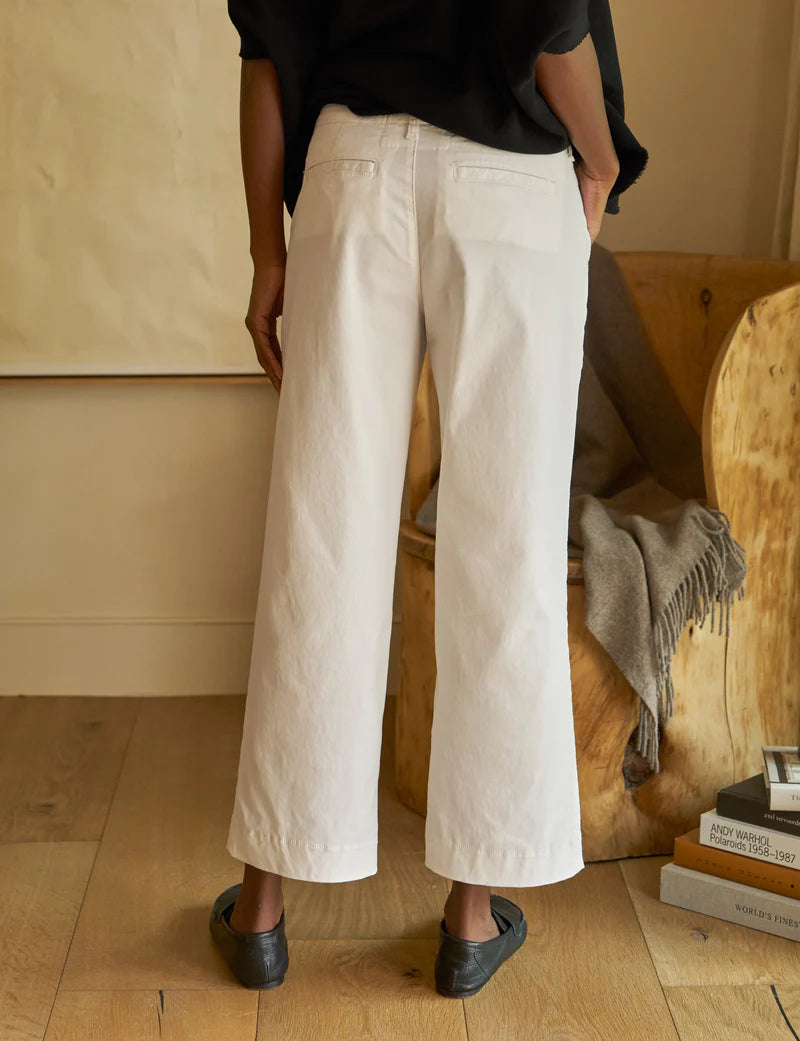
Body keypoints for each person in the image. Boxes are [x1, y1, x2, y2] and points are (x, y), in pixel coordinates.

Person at [208, 0, 648, 997]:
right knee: (505, 551)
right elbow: (551, 18)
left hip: (348, 172)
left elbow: (267, 49)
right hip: (511, 180)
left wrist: (265, 253)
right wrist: (600, 154)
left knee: (319, 543)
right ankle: (470, 916)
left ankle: (263, 908)